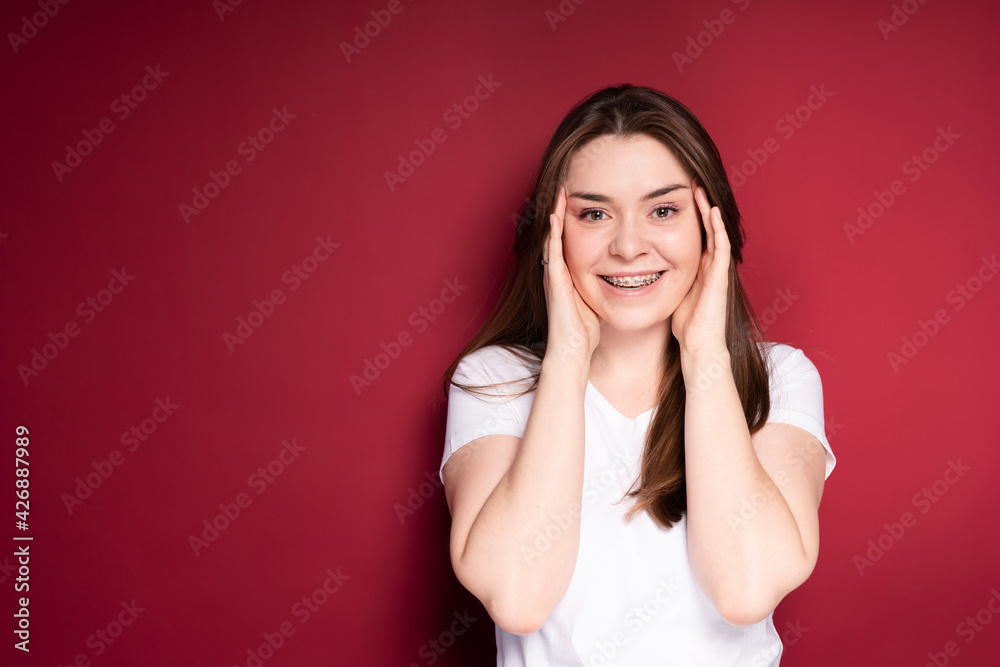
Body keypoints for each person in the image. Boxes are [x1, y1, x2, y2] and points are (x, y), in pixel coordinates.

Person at [437, 83, 836, 666]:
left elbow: (746, 590)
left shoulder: (779, 379)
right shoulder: (494, 381)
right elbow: (518, 597)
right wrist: (568, 356)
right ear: (553, 233)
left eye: (664, 210)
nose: (627, 246)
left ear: (710, 227)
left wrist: (704, 355)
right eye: (594, 214)